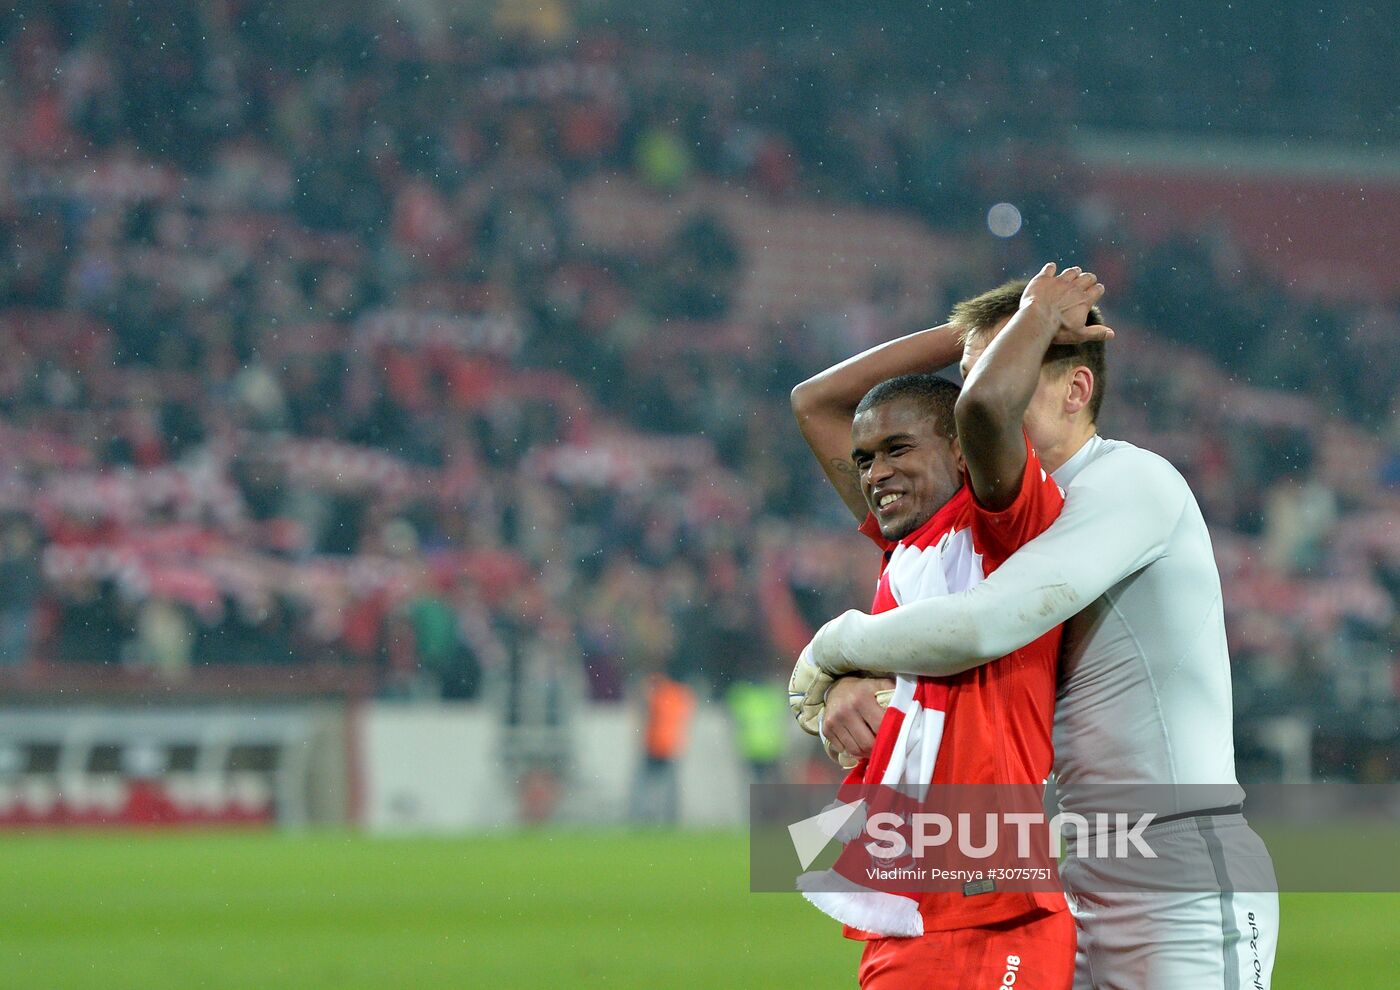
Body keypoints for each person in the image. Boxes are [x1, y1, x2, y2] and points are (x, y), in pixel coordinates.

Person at [797, 275, 1280, 989]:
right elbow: (818, 405)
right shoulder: (967, 518)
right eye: (969, 379)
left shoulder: (1132, 483)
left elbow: (987, 622)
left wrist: (835, 649)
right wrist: (979, 330)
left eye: (1002, 371)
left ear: (1076, 390)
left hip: (1178, 858)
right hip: (1062, 859)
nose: (970, 403)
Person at [788, 264, 1111, 989]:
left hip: (990, 901)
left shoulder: (1003, 526)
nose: (875, 473)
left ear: (961, 452)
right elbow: (814, 401)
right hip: (906, 905)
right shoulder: (904, 548)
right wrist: (967, 333)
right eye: (866, 459)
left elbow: (990, 407)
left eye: (899, 449)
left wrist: (1027, 317)